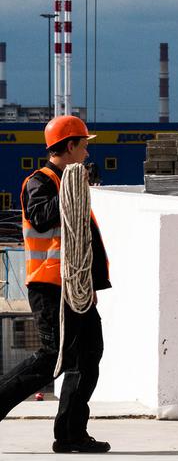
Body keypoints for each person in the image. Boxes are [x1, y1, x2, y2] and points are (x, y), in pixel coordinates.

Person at [0, 115, 110, 454]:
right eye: (85, 145)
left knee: (88, 356)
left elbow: (83, 239)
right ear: (70, 145)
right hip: (50, 287)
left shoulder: (72, 181)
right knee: (52, 358)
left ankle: (71, 434)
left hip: (76, 287)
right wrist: (72, 190)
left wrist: (91, 282)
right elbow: (42, 216)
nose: (88, 152)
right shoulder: (41, 181)